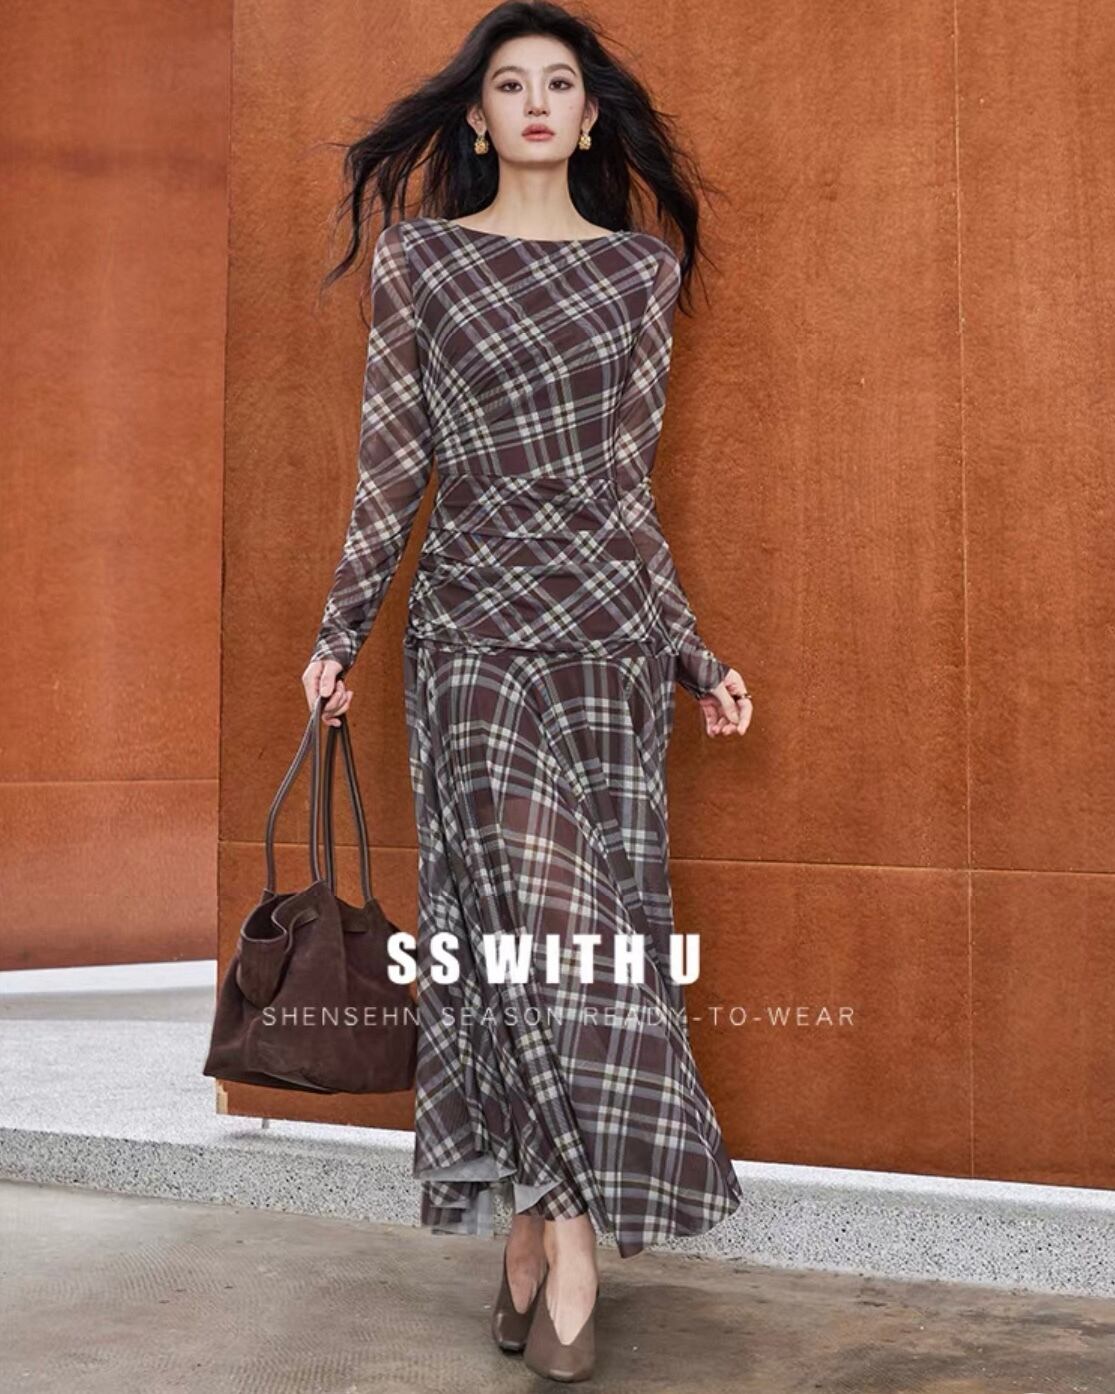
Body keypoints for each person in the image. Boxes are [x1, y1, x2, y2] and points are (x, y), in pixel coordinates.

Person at [302, 1, 754, 1381]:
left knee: (561, 949)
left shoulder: (637, 276)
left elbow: (626, 485)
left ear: (592, 117)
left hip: (605, 637)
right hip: (472, 638)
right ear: (479, 118)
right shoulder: (425, 260)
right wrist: (340, 632)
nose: (541, 101)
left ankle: (531, 1228)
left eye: (562, 83)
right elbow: (395, 461)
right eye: (513, 84)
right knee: (532, 932)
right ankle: (571, 1248)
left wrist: (692, 650)